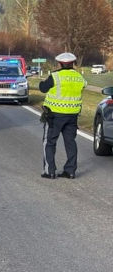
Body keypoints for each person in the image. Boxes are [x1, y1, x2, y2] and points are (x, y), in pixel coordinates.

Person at [38, 51, 86, 180]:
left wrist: (43, 82)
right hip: (72, 115)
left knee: (49, 142)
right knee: (70, 142)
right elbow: (83, 87)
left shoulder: (55, 76)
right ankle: (70, 171)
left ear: (59, 63)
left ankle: (50, 171)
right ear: (72, 63)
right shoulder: (79, 77)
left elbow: (43, 88)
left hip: (55, 115)